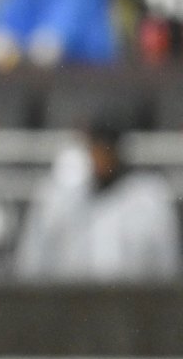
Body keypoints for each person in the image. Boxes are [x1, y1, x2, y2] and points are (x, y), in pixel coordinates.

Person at [15, 116, 181, 282]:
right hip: (69, 299)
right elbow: (31, 262)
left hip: (134, 300)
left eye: (107, 149)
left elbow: (168, 266)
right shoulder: (58, 195)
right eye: (96, 148)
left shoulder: (149, 199)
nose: (101, 157)